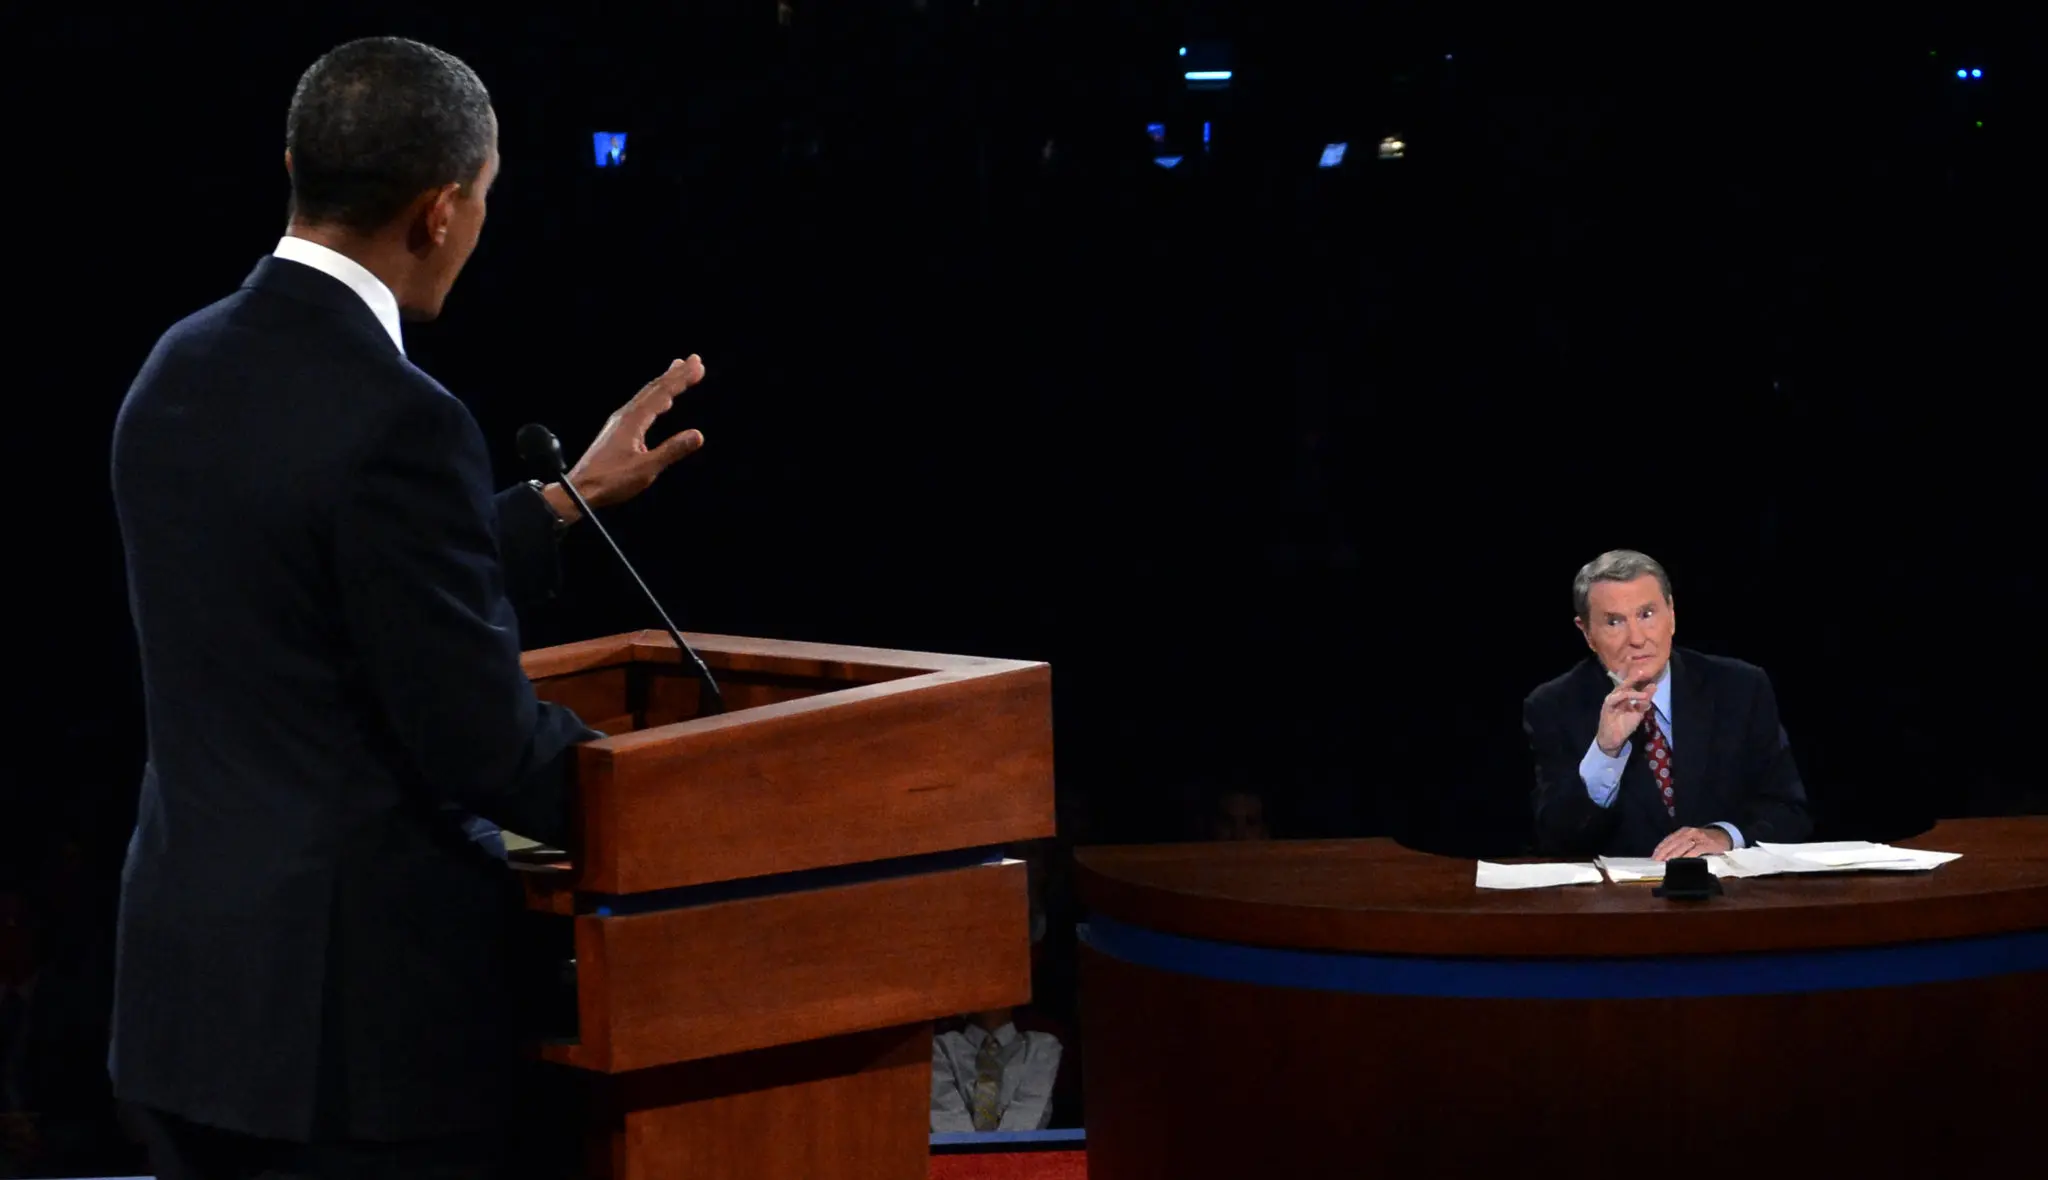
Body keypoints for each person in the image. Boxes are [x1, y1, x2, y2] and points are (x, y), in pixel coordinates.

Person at [108, 37, 709, 1178]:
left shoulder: (174, 368)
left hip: (191, 1011)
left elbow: (301, 573)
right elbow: (478, 740)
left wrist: (561, 504)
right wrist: (681, 804)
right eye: (483, 201)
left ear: (298, 162)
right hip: (350, 1046)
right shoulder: (403, 417)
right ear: (439, 213)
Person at [1524, 550, 1811, 859]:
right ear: (1587, 633)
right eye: (1614, 622)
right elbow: (1556, 840)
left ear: (1671, 614)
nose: (1636, 638)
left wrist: (1725, 836)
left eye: (1647, 614)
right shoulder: (1553, 706)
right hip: (1619, 903)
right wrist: (1605, 751)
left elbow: (1790, 813)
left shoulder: (1740, 688)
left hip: (1726, 898)